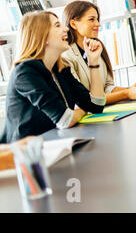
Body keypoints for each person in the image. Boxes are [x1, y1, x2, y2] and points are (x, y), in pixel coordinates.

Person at [0, 11, 106, 143]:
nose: (66, 28)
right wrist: (80, 111)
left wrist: (93, 62)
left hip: (53, 144)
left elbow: (97, 105)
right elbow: (66, 120)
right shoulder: (25, 72)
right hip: (24, 155)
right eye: (57, 25)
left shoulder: (60, 69)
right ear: (42, 36)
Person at [62, 1, 136, 104]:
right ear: (73, 24)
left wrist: (133, 89)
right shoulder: (66, 56)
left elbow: (107, 87)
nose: (98, 24)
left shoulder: (96, 46)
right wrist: (127, 93)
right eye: (91, 19)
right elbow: (85, 99)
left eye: (97, 19)